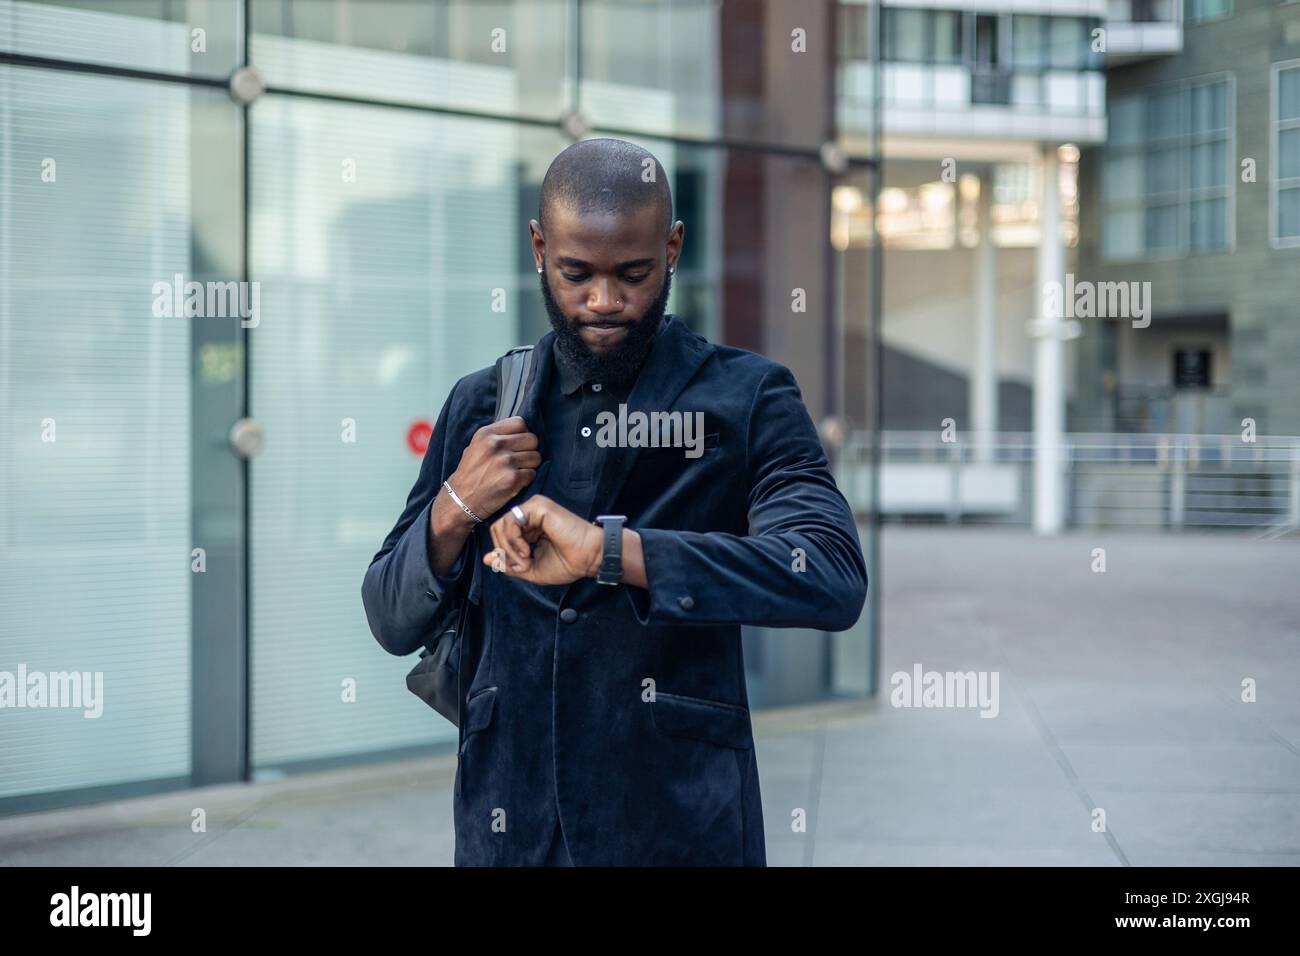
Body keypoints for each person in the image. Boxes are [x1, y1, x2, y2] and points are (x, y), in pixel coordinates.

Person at [361, 137, 867, 866]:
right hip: (510, 833)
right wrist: (454, 507)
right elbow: (388, 615)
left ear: (672, 246)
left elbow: (830, 576)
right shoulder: (480, 406)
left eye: (632, 273)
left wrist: (612, 554)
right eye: (576, 274)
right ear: (539, 247)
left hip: (677, 830)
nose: (603, 301)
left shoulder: (748, 398)